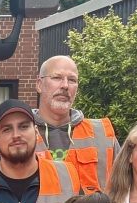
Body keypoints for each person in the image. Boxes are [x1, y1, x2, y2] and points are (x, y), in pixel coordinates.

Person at [32, 55, 118, 192]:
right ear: (39, 84)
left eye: (72, 80)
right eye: (57, 78)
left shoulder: (101, 135)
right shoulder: (19, 133)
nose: (65, 85)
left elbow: (125, 188)